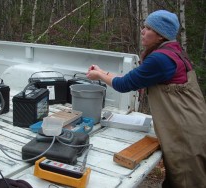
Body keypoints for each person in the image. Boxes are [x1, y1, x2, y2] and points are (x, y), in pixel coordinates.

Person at [86, 10, 206, 188]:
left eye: (148, 28)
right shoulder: (173, 52)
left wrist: (99, 76)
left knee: (187, 182)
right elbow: (132, 79)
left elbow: (124, 84)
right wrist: (102, 72)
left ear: (160, 35)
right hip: (191, 123)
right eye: (144, 26)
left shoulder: (160, 59)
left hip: (184, 133)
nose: (142, 31)